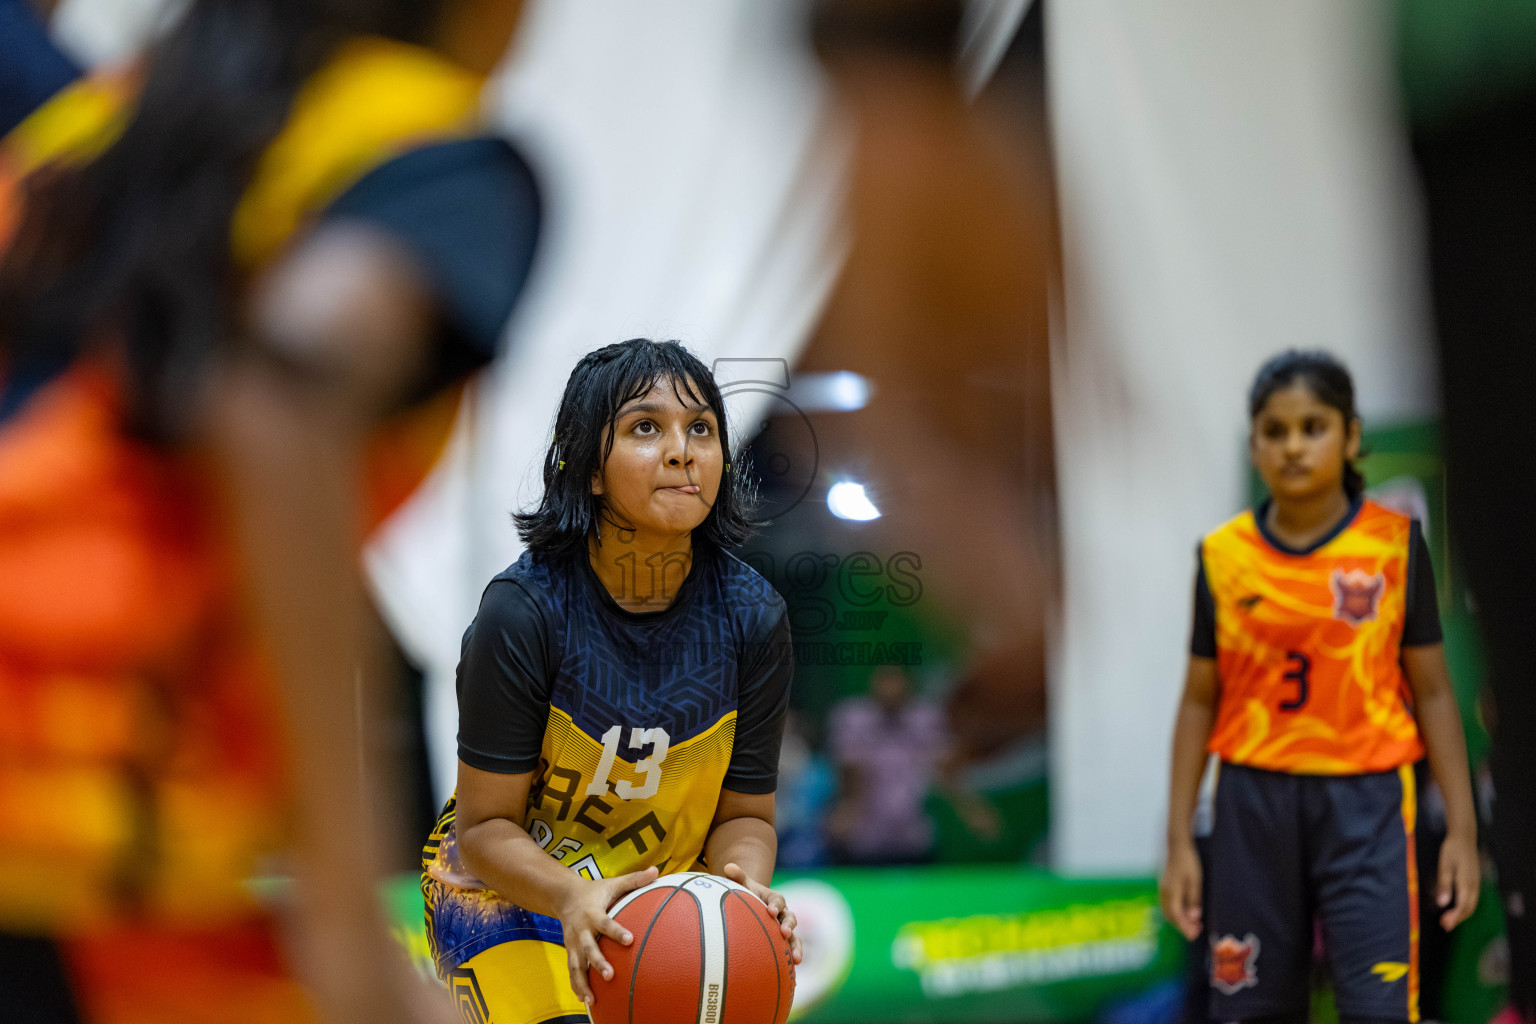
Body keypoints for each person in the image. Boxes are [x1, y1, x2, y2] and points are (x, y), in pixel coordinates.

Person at [0, 1, 539, 1021]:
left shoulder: (85, 130)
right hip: (69, 812)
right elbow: (288, 386)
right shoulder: (423, 149)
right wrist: (348, 927)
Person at [420, 339, 803, 1024]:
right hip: (506, 889)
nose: (683, 451)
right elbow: (485, 826)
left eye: (702, 429)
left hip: (658, 894)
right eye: (645, 427)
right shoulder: (523, 613)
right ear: (591, 470)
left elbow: (745, 815)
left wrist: (742, 890)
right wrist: (570, 897)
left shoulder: (754, 618)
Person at [1160, 351, 1479, 1022]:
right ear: (1255, 445)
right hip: (1252, 802)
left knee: (1380, 1007)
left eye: (1314, 426)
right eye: (1275, 431)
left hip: (1368, 803)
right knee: (1248, 1006)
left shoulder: (1394, 548)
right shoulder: (1224, 558)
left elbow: (1435, 692)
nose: (1294, 446)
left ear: (1351, 436)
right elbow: (1197, 699)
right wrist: (1180, 841)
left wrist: (1462, 831)